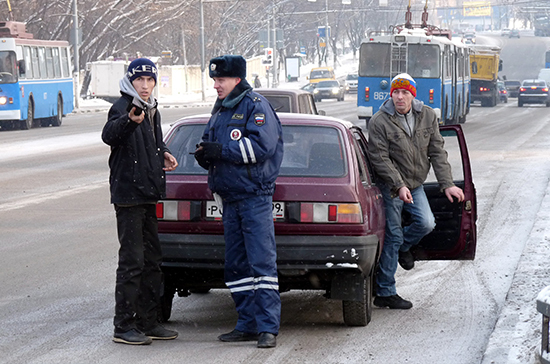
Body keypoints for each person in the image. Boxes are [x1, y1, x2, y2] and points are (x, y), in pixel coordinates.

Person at [194, 55, 283, 349]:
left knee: (261, 264)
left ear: (236, 80)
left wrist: (222, 150)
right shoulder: (221, 109)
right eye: (215, 80)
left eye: (221, 80)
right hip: (230, 199)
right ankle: (247, 323)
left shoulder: (255, 106)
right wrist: (205, 153)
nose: (216, 85)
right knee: (236, 265)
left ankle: (268, 328)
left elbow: (262, 146)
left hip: (254, 198)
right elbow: (212, 143)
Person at [367, 73, 464, 310]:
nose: (400, 97)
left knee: (427, 223)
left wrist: (447, 183)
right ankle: (386, 292)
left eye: (405, 92)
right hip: (390, 187)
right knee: (393, 235)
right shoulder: (379, 121)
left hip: (416, 183)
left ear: (413, 94)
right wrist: (399, 186)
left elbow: (437, 152)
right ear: (391, 94)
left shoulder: (427, 115)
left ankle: (403, 249)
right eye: (396, 92)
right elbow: (379, 159)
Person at [102, 58, 179, 345]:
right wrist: (128, 121)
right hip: (128, 196)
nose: (145, 86)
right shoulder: (124, 107)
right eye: (140, 80)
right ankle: (123, 326)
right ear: (130, 81)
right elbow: (109, 135)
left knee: (152, 261)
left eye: (150, 80)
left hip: (148, 193)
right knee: (132, 262)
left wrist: (165, 152)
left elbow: (153, 141)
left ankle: (149, 322)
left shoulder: (152, 109)